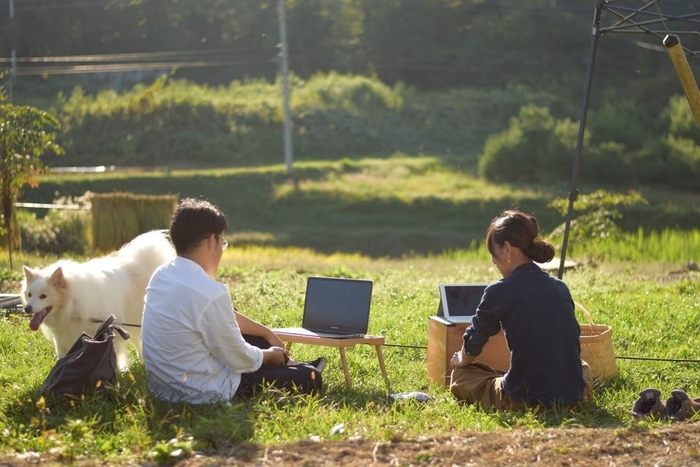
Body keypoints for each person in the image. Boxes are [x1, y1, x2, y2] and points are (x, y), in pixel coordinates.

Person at [142, 198, 323, 404]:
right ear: (211, 240)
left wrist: (266, 333)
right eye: (222, 242)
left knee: (236, 320)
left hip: (162, 387)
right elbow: (239, 359)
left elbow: (225, 317)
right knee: (311, 378)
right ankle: (297, 368)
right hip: (201, 391)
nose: (222, 249)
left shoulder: (162, 274)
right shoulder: (209, 292)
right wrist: (269, 355)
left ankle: (289, 364)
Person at [450, 210, 593, 410]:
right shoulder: (560, 287)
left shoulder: (499, 290)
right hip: (574, 396)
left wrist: (461, 360)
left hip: (525, 398)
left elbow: (473, 345)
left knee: (461, 375)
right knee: (583, 366)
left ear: (507, 249)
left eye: (493, 253)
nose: (493, 261)